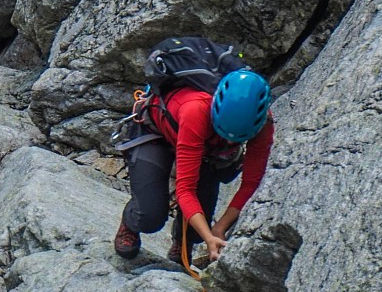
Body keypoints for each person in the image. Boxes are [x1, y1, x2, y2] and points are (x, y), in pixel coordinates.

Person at [114, 68, 274, 264]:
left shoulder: (262, 121)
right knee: (149, 216)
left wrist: (219, 229)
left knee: (198, 227)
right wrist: (210, 238)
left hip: (209, 147)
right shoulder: (196, 109)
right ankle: (131, 223)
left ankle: (184, 243)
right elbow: (185, 189)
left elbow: (251, 183)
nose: (228, 139)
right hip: (156, 134)